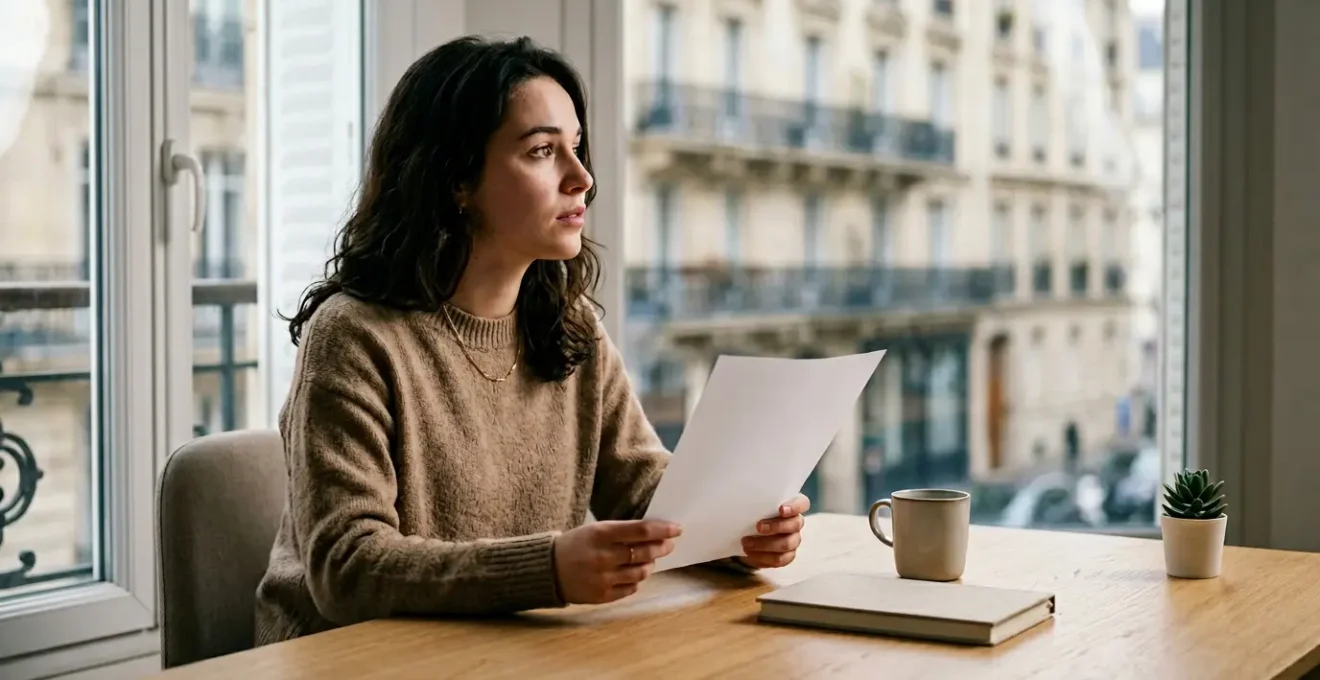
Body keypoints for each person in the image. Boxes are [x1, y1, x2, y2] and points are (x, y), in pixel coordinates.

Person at [252, 35, 809, 645]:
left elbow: (645, 492)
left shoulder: (570, 326)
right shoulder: (353, 336)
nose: (582, 178)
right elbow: (348, 568)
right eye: (543, 151)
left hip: (502, 649)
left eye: (576, 147)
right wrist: (546, 569)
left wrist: (739, 530)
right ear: (455, 179)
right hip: (346, 660)